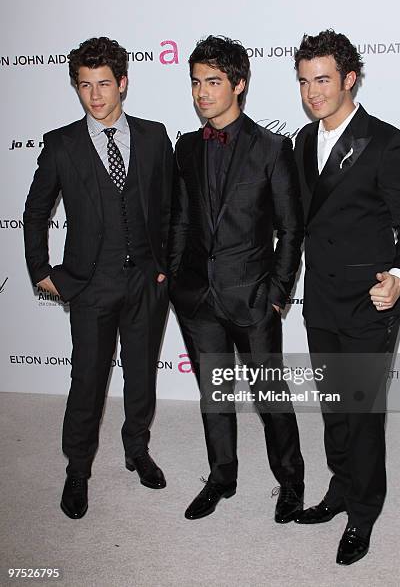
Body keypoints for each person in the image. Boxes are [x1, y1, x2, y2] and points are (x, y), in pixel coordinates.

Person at [292, 29, 400, 564]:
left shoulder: (386, 141)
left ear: (349, 79)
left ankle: (364, 513)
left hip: (369, 301)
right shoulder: (303, 141)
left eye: (322, 80)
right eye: (304, 82)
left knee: (362, 412)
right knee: (332, 406)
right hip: (320, 300)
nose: (312, 93)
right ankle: (341, 487)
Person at [23, 37, 172, 519]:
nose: (94, 96)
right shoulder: (62, 144)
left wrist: (167, 266)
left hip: (146, 282)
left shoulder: (153, 136)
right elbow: (35, 211)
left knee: (142, 374)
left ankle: (137, 449)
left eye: (103, 84)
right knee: (87, 378)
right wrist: (42, 271)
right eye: (84, 86)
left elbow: (172, 208)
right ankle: (77, 469)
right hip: (90, 284)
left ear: (122, 83)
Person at [168, 35, 304, 522]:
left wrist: (278, 295)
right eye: (196, 82)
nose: (202, 92)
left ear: (239, 84)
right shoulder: (186, 146)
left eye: (213, 82)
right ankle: (222, 476)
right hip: (197, 298)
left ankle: (290, 482)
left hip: (252, 298)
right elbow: (181, 219)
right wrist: (176, 282)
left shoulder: (272, 148)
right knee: (214, 395)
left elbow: (291, 228)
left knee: (270, 397)